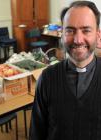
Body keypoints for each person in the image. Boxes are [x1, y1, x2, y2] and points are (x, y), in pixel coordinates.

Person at [29, 1, 101, 140]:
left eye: (86, 30)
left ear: (98, 35)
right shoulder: (47, 78)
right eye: (70, 30)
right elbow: (37, 133)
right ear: (62, 34)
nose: (78, 39)